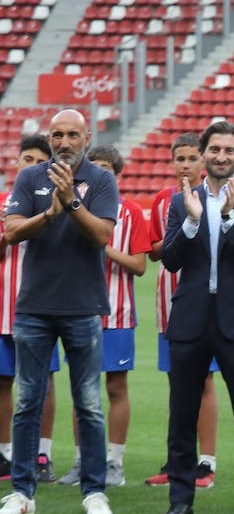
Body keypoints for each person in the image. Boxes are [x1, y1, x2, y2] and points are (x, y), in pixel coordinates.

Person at [0, 109, 118, 514]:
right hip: (33, 306)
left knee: (88, 403)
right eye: (57, 135)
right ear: (49, 139)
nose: (64, 142)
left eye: (72, 134)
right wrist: (49, 214)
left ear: (87, 137)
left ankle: (95, 490)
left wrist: (70, 203)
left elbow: (103, 235)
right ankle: (22, 492)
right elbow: (11, 231)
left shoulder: (101, 180)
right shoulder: (31, 178)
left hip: (83, 305)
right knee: (27, 401)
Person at [158, 120, 234, 514]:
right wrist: (191, 222)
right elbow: (170, 259)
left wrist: (227, 218)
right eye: (215, 149)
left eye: (230, 151)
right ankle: (180, 499)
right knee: (181, 413)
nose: (222, 157)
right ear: (204, 153)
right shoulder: (179, 202)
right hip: (190, 319)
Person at [54, 145, 150, 487]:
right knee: (82, 390)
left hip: (118, 314)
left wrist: (104, 247)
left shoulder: (131, 212)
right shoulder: (71, 208)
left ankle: (114, 462)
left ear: (118, 175)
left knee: (115, 388)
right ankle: (82, 462)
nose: (99, 175)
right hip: (79, 310)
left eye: (106, 169)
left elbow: (140, 265)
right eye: (93, 168)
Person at [145, 134, 220, 489]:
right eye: (180, 158)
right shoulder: (163, 200)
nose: (186, 164)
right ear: (172, 162)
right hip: (168, 297)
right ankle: (179, 458)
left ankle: (206, 462)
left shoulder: (215, 196)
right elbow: (154, 249)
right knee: (177, 380)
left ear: (202, 162)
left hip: (203, 296)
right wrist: (178, 235)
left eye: (192, 158)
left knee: (204, 380)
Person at [0, 136, 58, 484]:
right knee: (3, 383)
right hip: (5, 309)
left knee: (44, 384)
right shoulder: (4, 205)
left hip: (43, 306)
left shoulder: (57, 205)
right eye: (26, 158)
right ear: (16, 163)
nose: (30, 165)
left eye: (38, 160)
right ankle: (6, 452)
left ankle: (42, 453)